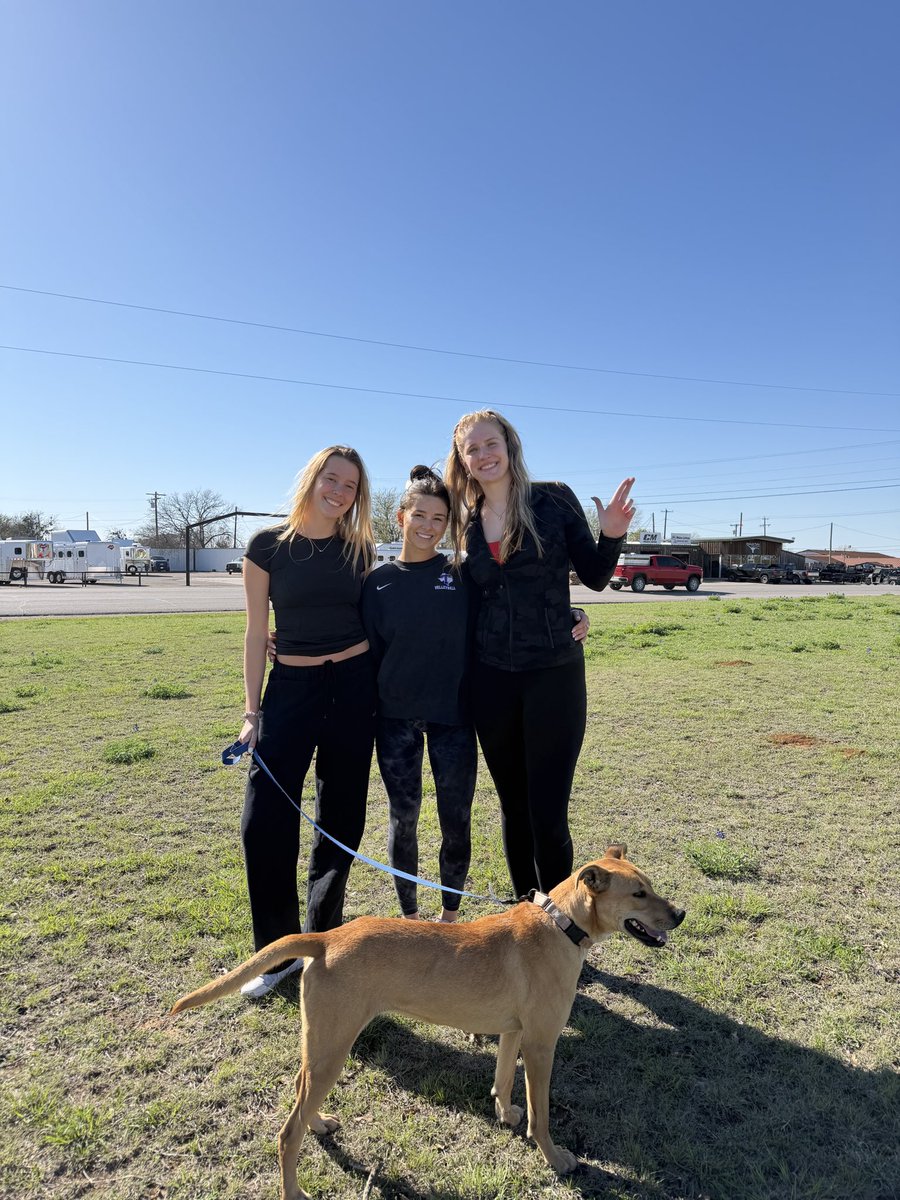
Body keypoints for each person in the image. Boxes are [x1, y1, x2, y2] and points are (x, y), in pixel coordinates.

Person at [445, 410, 634, 899]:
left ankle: (558, 924)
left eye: (491, 444)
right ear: (463, 461)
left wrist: (610, 533)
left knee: (548, 811)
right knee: (513, 807)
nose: (483, 455)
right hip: (491, 681)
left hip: (554, 675)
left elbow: (594, 576)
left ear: (509, 445)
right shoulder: (465, 523)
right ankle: (528, 917)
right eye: (472, 449)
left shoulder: (552, 499)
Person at [237, 445, 377, 998]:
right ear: (312, 478)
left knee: (339, 819)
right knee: (263, 819)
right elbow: (254, 632)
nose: (340, 491)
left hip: (353, 687)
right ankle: (276, 953)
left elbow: (380, 617)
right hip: (290, 691)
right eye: (332, 479)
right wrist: (252, 712)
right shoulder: (266, 546)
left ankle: (323, 943)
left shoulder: (359, 549)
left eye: (351, 486)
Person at [361, 466, 476, 924]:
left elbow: (518, 605)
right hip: (395, 721)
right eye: (420, 515)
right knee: (403, 817)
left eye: (439, 519)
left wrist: (573, 611)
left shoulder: (463, 577)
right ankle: (410, 918)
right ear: (401, 516)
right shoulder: (377, 582)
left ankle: (449, 919)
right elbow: (358, 648)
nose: (429, 526)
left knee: (456, 819)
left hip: (454, 718)